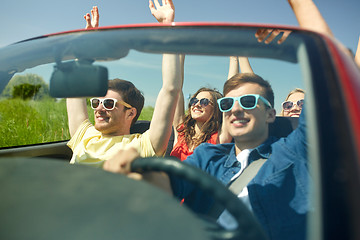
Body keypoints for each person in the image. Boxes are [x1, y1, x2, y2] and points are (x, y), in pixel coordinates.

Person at [66, 6, 182, 167]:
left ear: (131, 113)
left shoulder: (142, 146)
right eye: (96, 103)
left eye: (108, 104)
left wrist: (168, 27)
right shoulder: (85, 136)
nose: (99, 109)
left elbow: (170, 89)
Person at [149, 0, 227, 161]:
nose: (196, 104)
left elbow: (232, 96)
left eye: (205, 102)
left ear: (217, 110)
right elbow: (175, 88)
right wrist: (180, 52)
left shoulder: (220, 136)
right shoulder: (181, 130)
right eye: (194, 100)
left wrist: (236, 56)